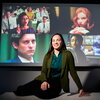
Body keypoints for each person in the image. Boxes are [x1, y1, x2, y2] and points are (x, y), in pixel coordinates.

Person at [13, 33, 89, 99]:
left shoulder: (68, 54)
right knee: (19, 91)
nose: (55, 42)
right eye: (53, 40)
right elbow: (43, 72)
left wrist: (80, 88)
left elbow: (73, 72)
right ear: (51, 43)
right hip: (43, 80)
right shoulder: (48, 55)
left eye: (58, 40)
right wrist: (44, 81)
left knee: (44, 95)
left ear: (62, 42)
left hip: (56, 84)